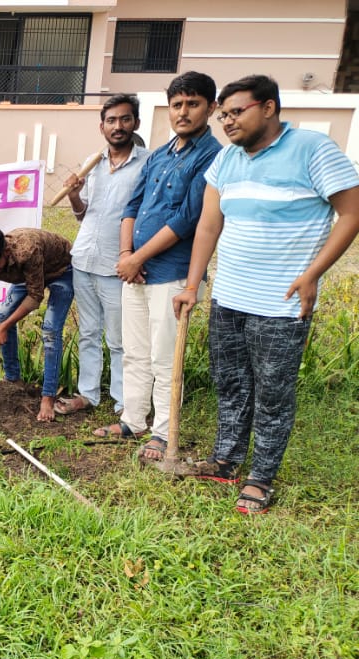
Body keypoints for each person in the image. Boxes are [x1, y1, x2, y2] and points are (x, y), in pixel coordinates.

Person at [173, 75, 359, 513]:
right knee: (230, 384)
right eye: (223, 115)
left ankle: (261, 477)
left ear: (269, 107)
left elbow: (351, 214)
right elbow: (208, 226)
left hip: (281, 304)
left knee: (273, 394)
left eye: (237, 112)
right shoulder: (226, 161)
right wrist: (192, 285)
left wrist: (313, 274)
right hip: (229, 298)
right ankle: (225, 460)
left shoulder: (312, 150)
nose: (227, 121)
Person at [97, 71, 222, 460]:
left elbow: (187, 219)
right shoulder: (160, 155)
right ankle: (133, 420)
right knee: (134, 351)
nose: (183, 112)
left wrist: (138, 257)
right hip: (135, 272)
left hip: (172, 274)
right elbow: (132, 206)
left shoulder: (212, 156)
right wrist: (126, 256)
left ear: (211, 108)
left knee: (165, 357)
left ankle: (164, 432)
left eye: (192, 104)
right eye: (176, 104)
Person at [58, 94, 149, 417]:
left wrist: (137, 257)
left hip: (117, 266)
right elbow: (84, 214)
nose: (118, 126)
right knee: (88, 333)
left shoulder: (147, 164)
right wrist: (73, 196)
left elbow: (146, 216)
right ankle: (88, 394)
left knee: (119, 339)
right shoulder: (92, 162)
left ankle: (125, 402)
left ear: (136, 123)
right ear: (102, 127)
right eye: (111, 120)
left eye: (125, 119)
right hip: (84, 260)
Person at [0, 226, 74, 422]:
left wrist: (3, 328)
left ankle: (48, 396)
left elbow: (35, 296)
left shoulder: (27, 250)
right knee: (2, 316)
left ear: (6, 251)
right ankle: (13, 380)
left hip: (61, 270)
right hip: (28, 276)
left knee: (50, 331)